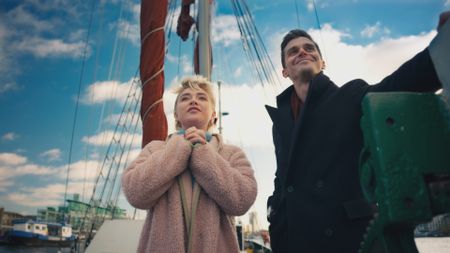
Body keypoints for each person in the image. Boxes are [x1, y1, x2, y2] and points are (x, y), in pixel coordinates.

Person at [266, 11, 450, 253]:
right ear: (285, 72)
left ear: (322, 63)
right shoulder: (280, 122)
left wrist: (441, 50)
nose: (302, 52)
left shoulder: (350, 96)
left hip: (347, 237)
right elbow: (283, 178)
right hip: (295, 241)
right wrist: (275, 216)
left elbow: (397, 84)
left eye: (309, 48)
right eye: (293, 51)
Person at [122, 76, 257, 253]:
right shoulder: (155, 149)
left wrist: (203, 154)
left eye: (202, 97)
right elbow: (134, 192)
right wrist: (177, 149)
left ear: (214, 114)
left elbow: (242, 200)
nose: (193, 100)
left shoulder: (231, 153)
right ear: (176, 114)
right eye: (185, 98)